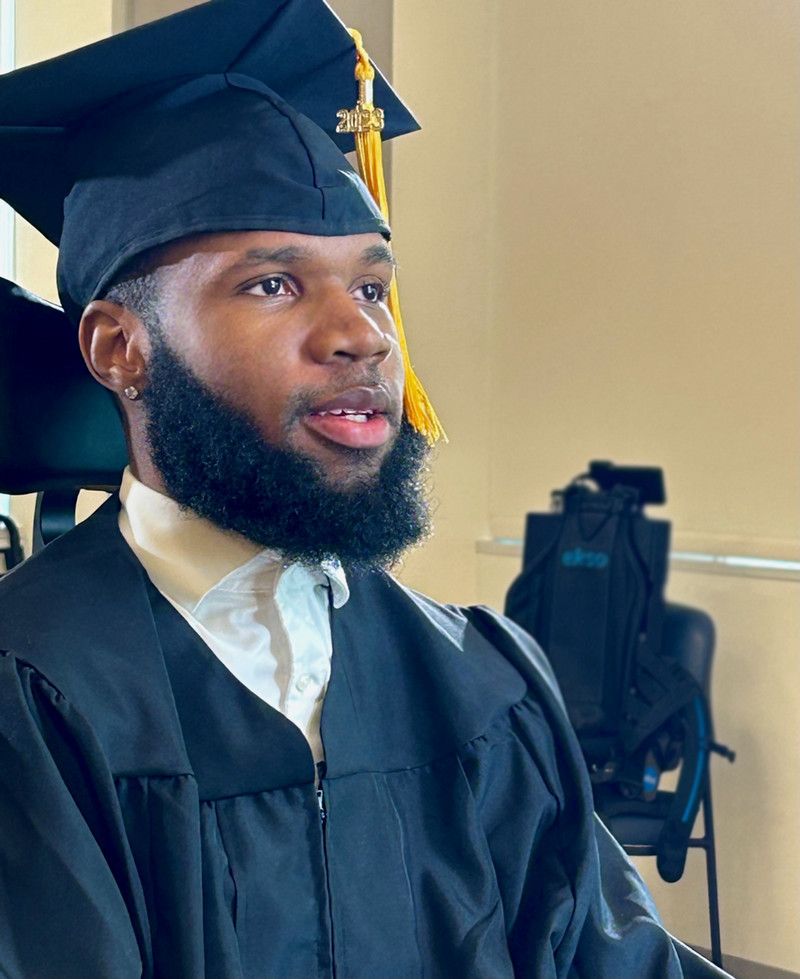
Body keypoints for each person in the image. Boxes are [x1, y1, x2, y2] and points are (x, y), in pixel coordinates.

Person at [0, 1, 732, 976]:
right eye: (273, 283)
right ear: (118, 348)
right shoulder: (34, 688)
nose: (362, 335)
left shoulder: (476, 677)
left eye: (372, 286)